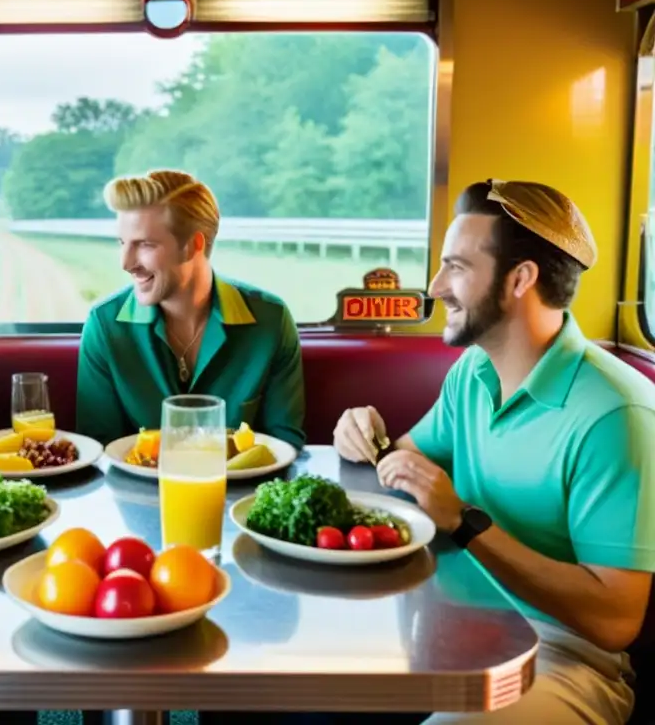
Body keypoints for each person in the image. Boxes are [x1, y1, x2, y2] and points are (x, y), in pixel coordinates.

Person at [333, 179, 655, 724]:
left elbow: (613, 621)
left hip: (559, 658)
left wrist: (464, 522)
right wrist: (359, 434)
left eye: (456, 267)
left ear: (521, 278)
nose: (435, 287)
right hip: (447, 619)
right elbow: (402, 461)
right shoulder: (473, 373)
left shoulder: (617, 415)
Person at [75, 170, 306, 448]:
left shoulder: (271, 320)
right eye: (122, 243)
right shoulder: (104, 325)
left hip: (243, 491)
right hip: (138, 491)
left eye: (145, 244)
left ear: (193, 245)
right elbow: (99, 449)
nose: (126, 263)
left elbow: (285, 444)